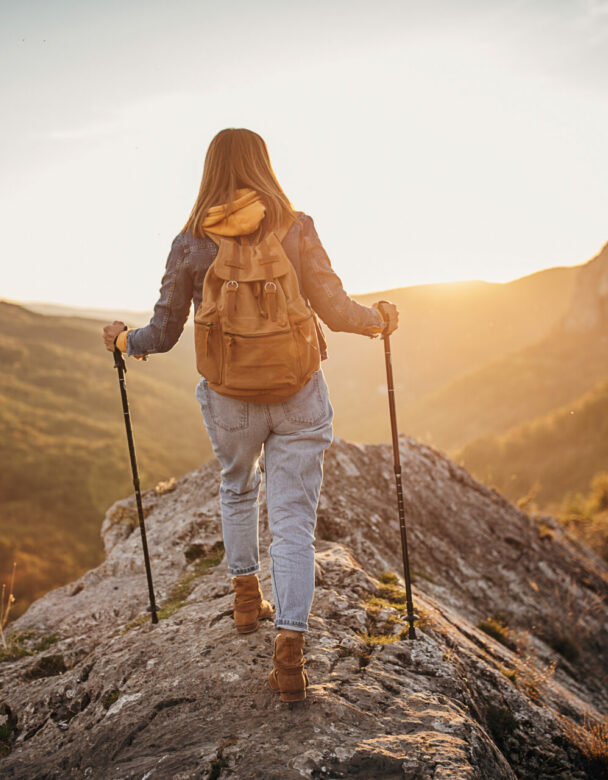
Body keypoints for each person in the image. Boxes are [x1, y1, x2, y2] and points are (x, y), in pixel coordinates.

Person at [102, 128, 398, 702]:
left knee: (238, 488)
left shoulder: (191, 240)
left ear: (210, 170)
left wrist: (121, 342)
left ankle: (245, 601)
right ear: (264, 164)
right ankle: (289, 657)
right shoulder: (296, 225)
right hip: (298, 392)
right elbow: (335, 309)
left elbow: (162, 334)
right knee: (292, 523)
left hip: (230, 397)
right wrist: (379, 319)